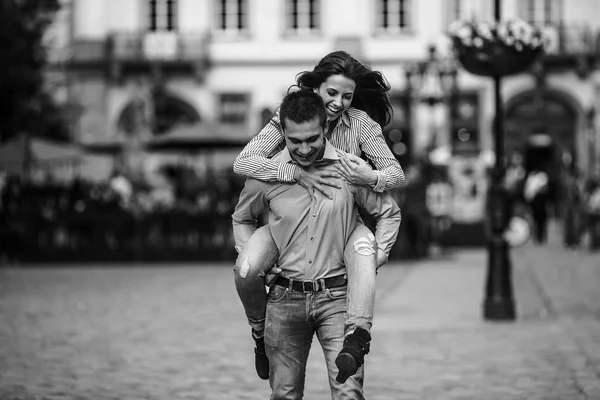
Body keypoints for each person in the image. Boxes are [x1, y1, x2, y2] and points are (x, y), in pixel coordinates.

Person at [231, 51, 405, 381]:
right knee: (247, 267)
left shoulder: (361, 125)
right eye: (331, 93)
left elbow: (395, 175)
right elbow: (243, 163)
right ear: (316, 88)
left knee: (365, 251)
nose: (338, 102)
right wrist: (292, 173)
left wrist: (370, 178)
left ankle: (357, 338)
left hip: (340, 214)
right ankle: (259, 332)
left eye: (347, 96)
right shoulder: (291, 114)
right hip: (289, 213)